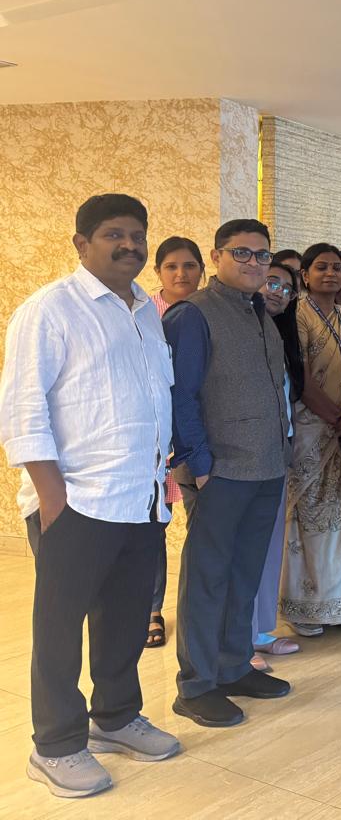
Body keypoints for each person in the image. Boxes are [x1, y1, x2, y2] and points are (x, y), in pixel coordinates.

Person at [1, 194, 181, 798]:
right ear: (82, 243)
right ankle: (54, 746)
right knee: (59, 629)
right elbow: (22, 412)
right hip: (77, 500)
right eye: (113, 234)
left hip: (141, 498)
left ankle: (116, 718)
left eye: (138, 235)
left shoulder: (146, 311)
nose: (129, 245)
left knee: (125, 619)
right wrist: (54, 501)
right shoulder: (49, 310)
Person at [165, 218, 294, 727]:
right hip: (219, 470)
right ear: (216, 257)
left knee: (244, 574)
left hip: (266, 465)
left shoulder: (260, 310)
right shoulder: (194, 314)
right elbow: (180, 396)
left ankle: (234, 666)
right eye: (241, 252)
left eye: (262, 255)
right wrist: (198, 465)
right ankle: (196, 685)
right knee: (208, 578)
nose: (253, 263)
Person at [279, 244, 341, 638]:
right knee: (310, 515)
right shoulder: (295, 315)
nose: (331, 273)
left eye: (337, 267)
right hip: (312, 428)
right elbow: (302, 378)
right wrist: (339, 420)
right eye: (322, 267)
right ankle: (306, 607)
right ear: (305, 275)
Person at [146, 236, 205, 650]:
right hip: (156, 438)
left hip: (198, 436)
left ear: (203, 269)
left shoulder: (208, 310)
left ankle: (198, 617)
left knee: (200, 531)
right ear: (158, 272)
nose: (181, 274)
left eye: (189, 265)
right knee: (154, 527)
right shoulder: (144, 313)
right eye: (171, 266)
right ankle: (151, 610)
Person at [252, 263, 303, 668]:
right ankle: (236, 640)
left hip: (276, 449)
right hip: (240, 456)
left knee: (268, 546)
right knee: (239, 551)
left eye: (287, 288)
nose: (278, 292)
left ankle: (259, 631)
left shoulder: (280, 335)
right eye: (272, 282)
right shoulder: (237, 327)